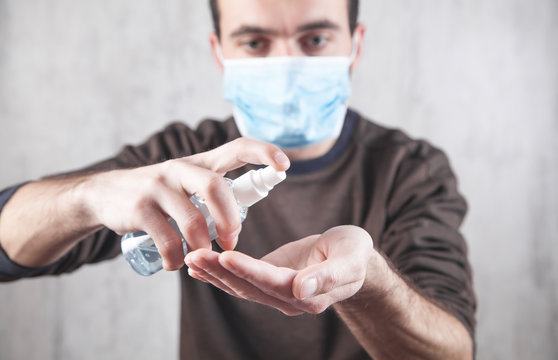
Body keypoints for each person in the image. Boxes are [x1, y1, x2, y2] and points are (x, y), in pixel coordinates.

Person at [0, 0, 476, 359]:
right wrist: (87, 197)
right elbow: (8, 248)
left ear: (354, 45)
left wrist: (369, 280)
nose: (286, 64)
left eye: (314, 40)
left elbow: (453, 351)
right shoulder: (179, 159)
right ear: (219, 51)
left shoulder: (410, 169)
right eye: (254, 43)